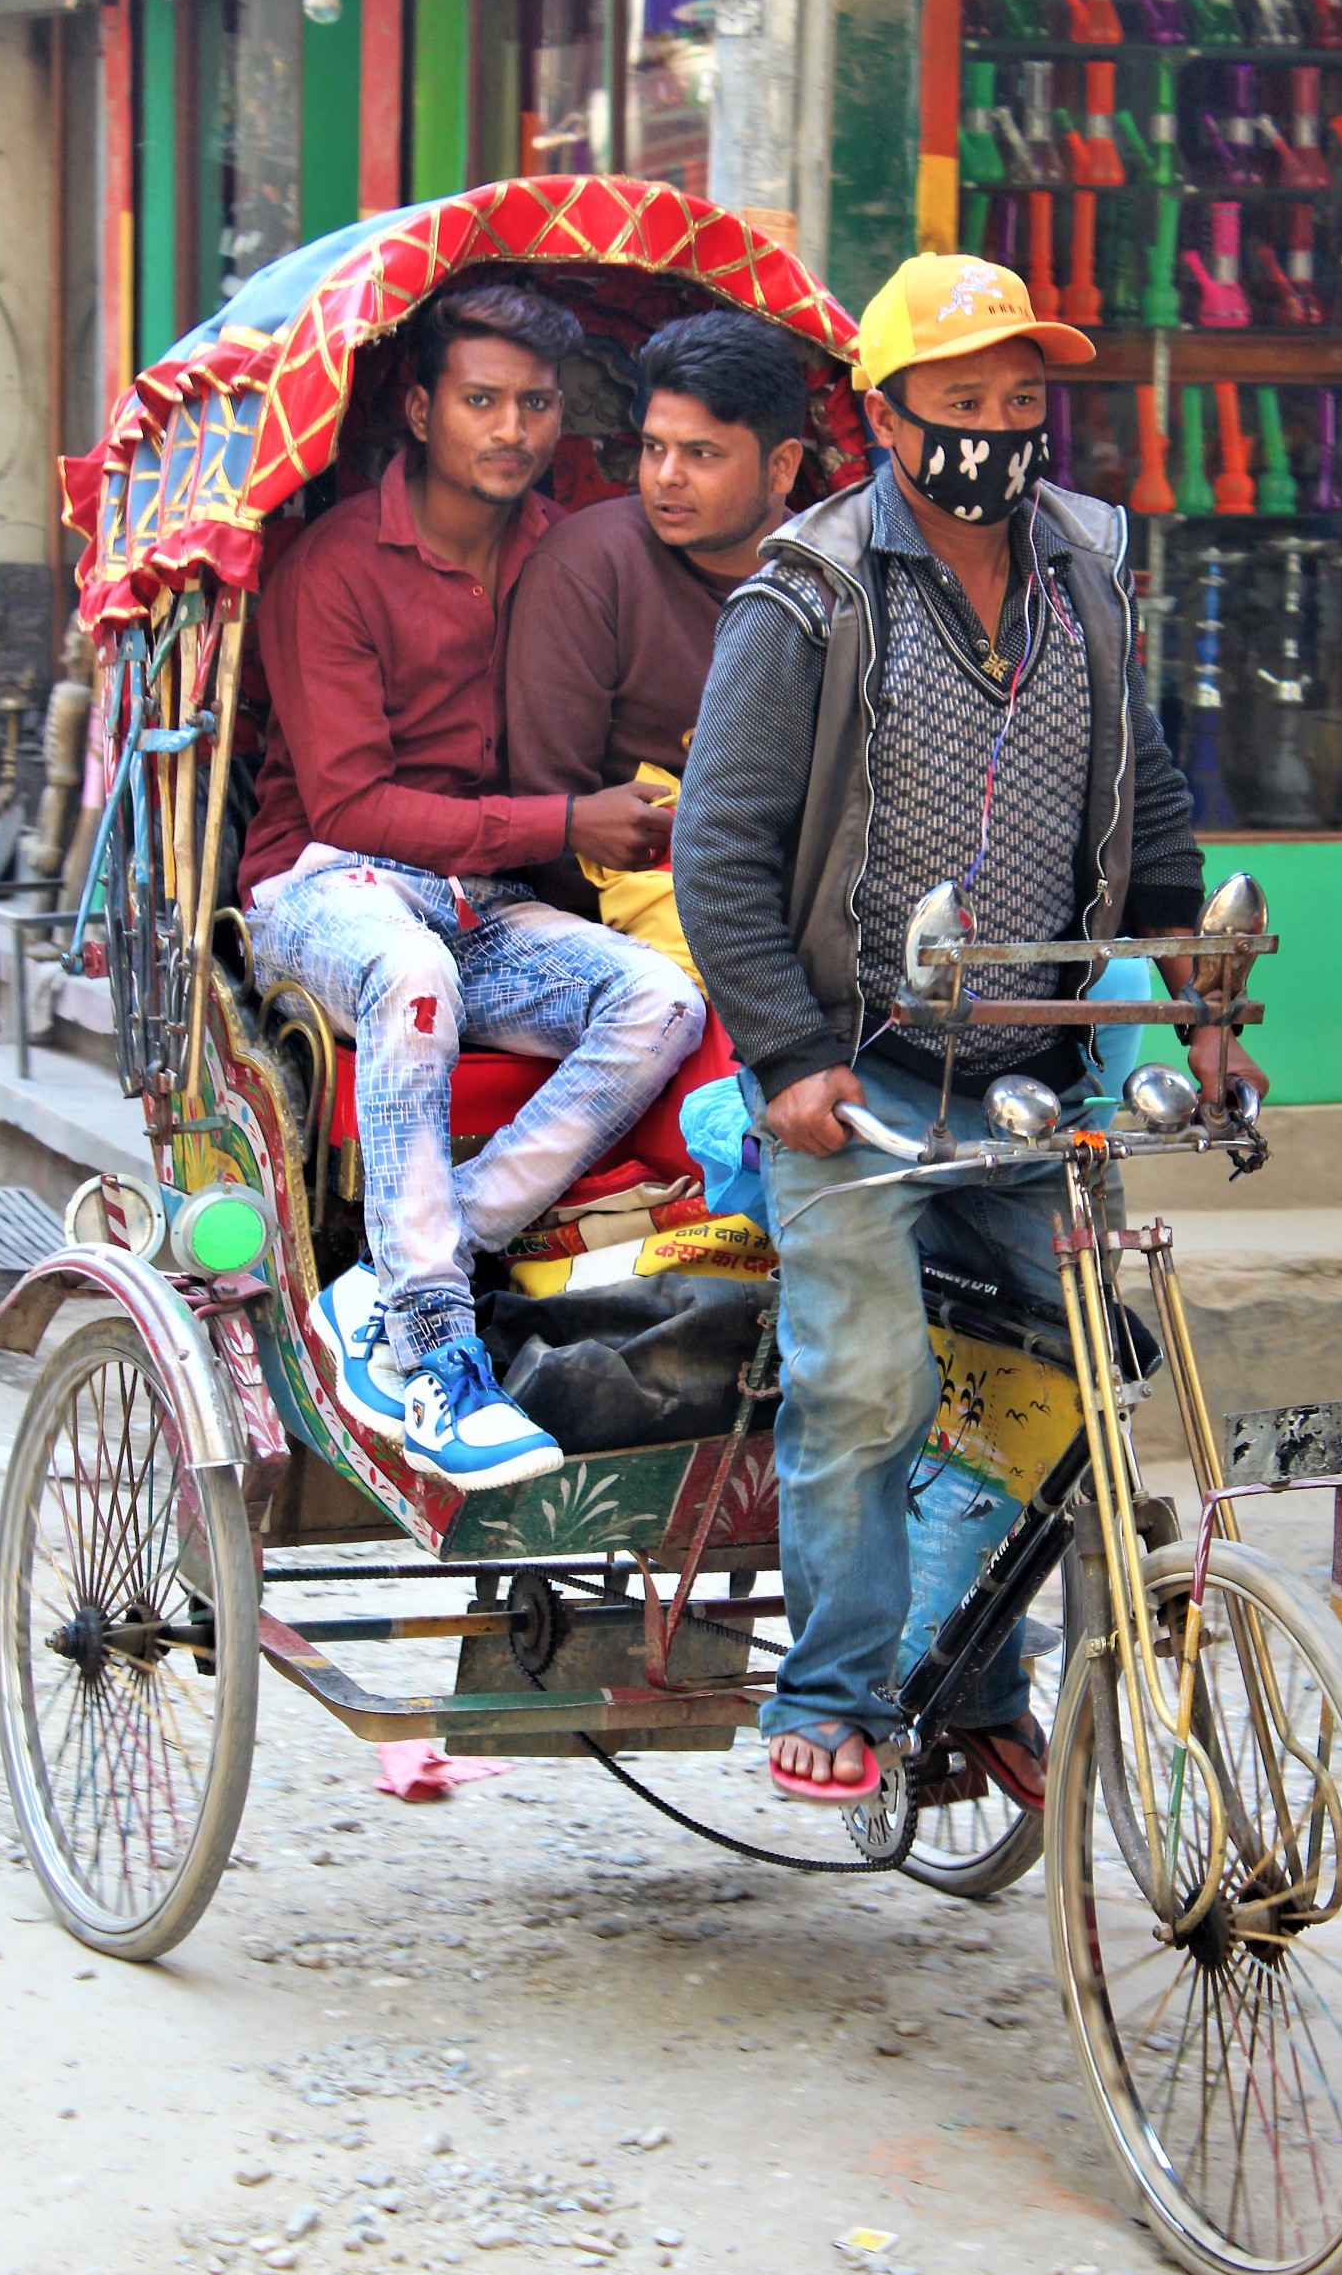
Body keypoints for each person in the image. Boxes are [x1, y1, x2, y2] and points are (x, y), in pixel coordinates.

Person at [672, 253, 1266, 1802]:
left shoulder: (1085, 572)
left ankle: (973, 1679)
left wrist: (1202, 1017)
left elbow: (1149, 824)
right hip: (859, 1074)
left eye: (1021, 401)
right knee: (868, 1385)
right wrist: (789, 1060)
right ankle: (836, 1695)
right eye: (961, 403)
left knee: (1059, 1388)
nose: (997, 431)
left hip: (1037, 1065)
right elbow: (719, 851)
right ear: (884, 414)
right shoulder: (804, 596)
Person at [238, 281, 705, 1491]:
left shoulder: (573, 550)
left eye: (536, 405)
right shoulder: (335, 568)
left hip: (487, 899)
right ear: (421, 408)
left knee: (661, 1002)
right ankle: (441, 1352)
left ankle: (400, 1277)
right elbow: (347, 804)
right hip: (325, 889)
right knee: (413, 977)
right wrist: (563, 819)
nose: (511, 430)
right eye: (483, 401)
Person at [504, 309, 808, 982]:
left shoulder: (831, 578)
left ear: (782, 466)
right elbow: (548, 807)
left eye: (701, 454)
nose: (666, 476)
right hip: (633, 918)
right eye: (653, 448)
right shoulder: (588, 564)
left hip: (811, 891)